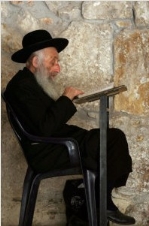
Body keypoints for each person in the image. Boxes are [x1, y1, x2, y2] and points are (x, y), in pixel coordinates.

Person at [4, 29, 135, 225]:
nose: (57, 68)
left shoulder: (31, 83)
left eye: (57, 62)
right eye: (53, 61)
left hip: (58, 144)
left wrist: (69, 100)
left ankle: (99, 201)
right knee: (113, 139)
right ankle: (102, 203)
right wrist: (65, 98)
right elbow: (44, 129)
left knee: (111, 140)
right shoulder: (21, 87)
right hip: (49, 151)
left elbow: (46, 120)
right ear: (36, 62)